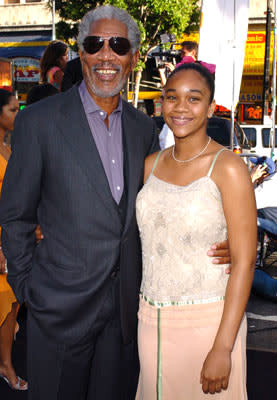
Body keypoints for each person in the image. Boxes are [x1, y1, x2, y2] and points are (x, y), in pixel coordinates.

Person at [0, 6, 230, 400]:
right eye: (95, 44)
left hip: (126, 317)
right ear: (81, 53)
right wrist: (29, 291)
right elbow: (16, 216)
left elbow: (155, 208)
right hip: (58, 312)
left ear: (133, 57)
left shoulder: (143, 128)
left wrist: (217, 243)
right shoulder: (39, 122)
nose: (106, 55)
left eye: (118, 45)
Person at [135, 63, 257, 399]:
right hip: (150, 320)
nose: (181, 108)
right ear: (161, 103)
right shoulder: (150, 165)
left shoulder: (229, 168)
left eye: (194, 98)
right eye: (172, 97)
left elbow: (245, 263)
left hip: (210, 323)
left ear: (211, 106)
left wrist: (223, 347)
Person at [0, 89, 27, 391]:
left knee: (12, 304)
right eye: (11, 110)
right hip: (2, 241)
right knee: (7, 304)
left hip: (14, 236)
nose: (17, 114)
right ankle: (6, 364)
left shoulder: (10, 145)